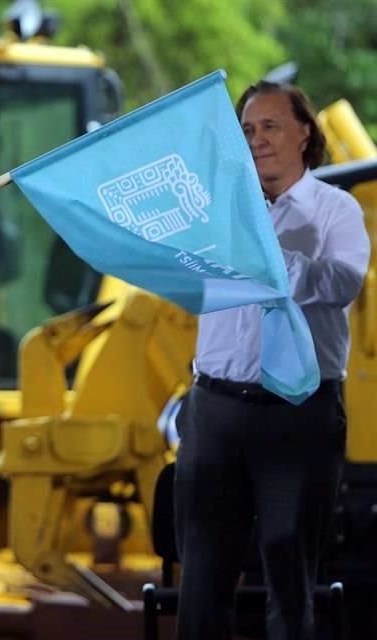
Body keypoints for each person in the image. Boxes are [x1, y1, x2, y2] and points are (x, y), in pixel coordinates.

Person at [174, 81, 370, 639]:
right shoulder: (214, 216)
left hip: (298, 414)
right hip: (214, 411)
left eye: (270, 126)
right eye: (247, 129)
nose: (256, 139)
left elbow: (343, 283)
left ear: (305, 132)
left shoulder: (338, 211)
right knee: (202, 581)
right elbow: (184, 282)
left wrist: (273, 259)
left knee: (289, 579)